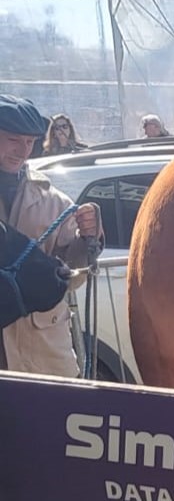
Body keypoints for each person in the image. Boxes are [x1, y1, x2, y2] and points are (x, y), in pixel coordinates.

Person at [0, 94, 103, 377]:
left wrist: (87, 238)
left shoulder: (54, 201)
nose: (22, 151)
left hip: (42, 353)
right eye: (13, 140)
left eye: (29, 142)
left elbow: (74, 277)